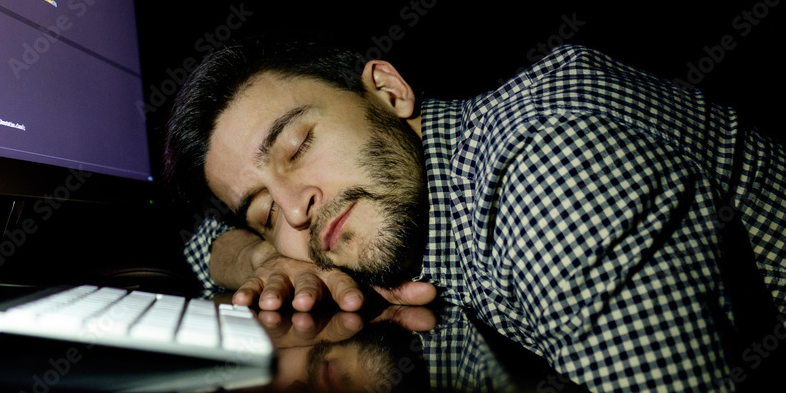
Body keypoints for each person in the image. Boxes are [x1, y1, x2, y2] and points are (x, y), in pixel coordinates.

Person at [163, 37, 786, 390]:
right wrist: (261, 256)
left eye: (298, 147)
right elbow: (202, 241)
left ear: (389, 91)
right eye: (266, 211)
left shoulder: (549, 165)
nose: (296, 209)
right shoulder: (419, 195)